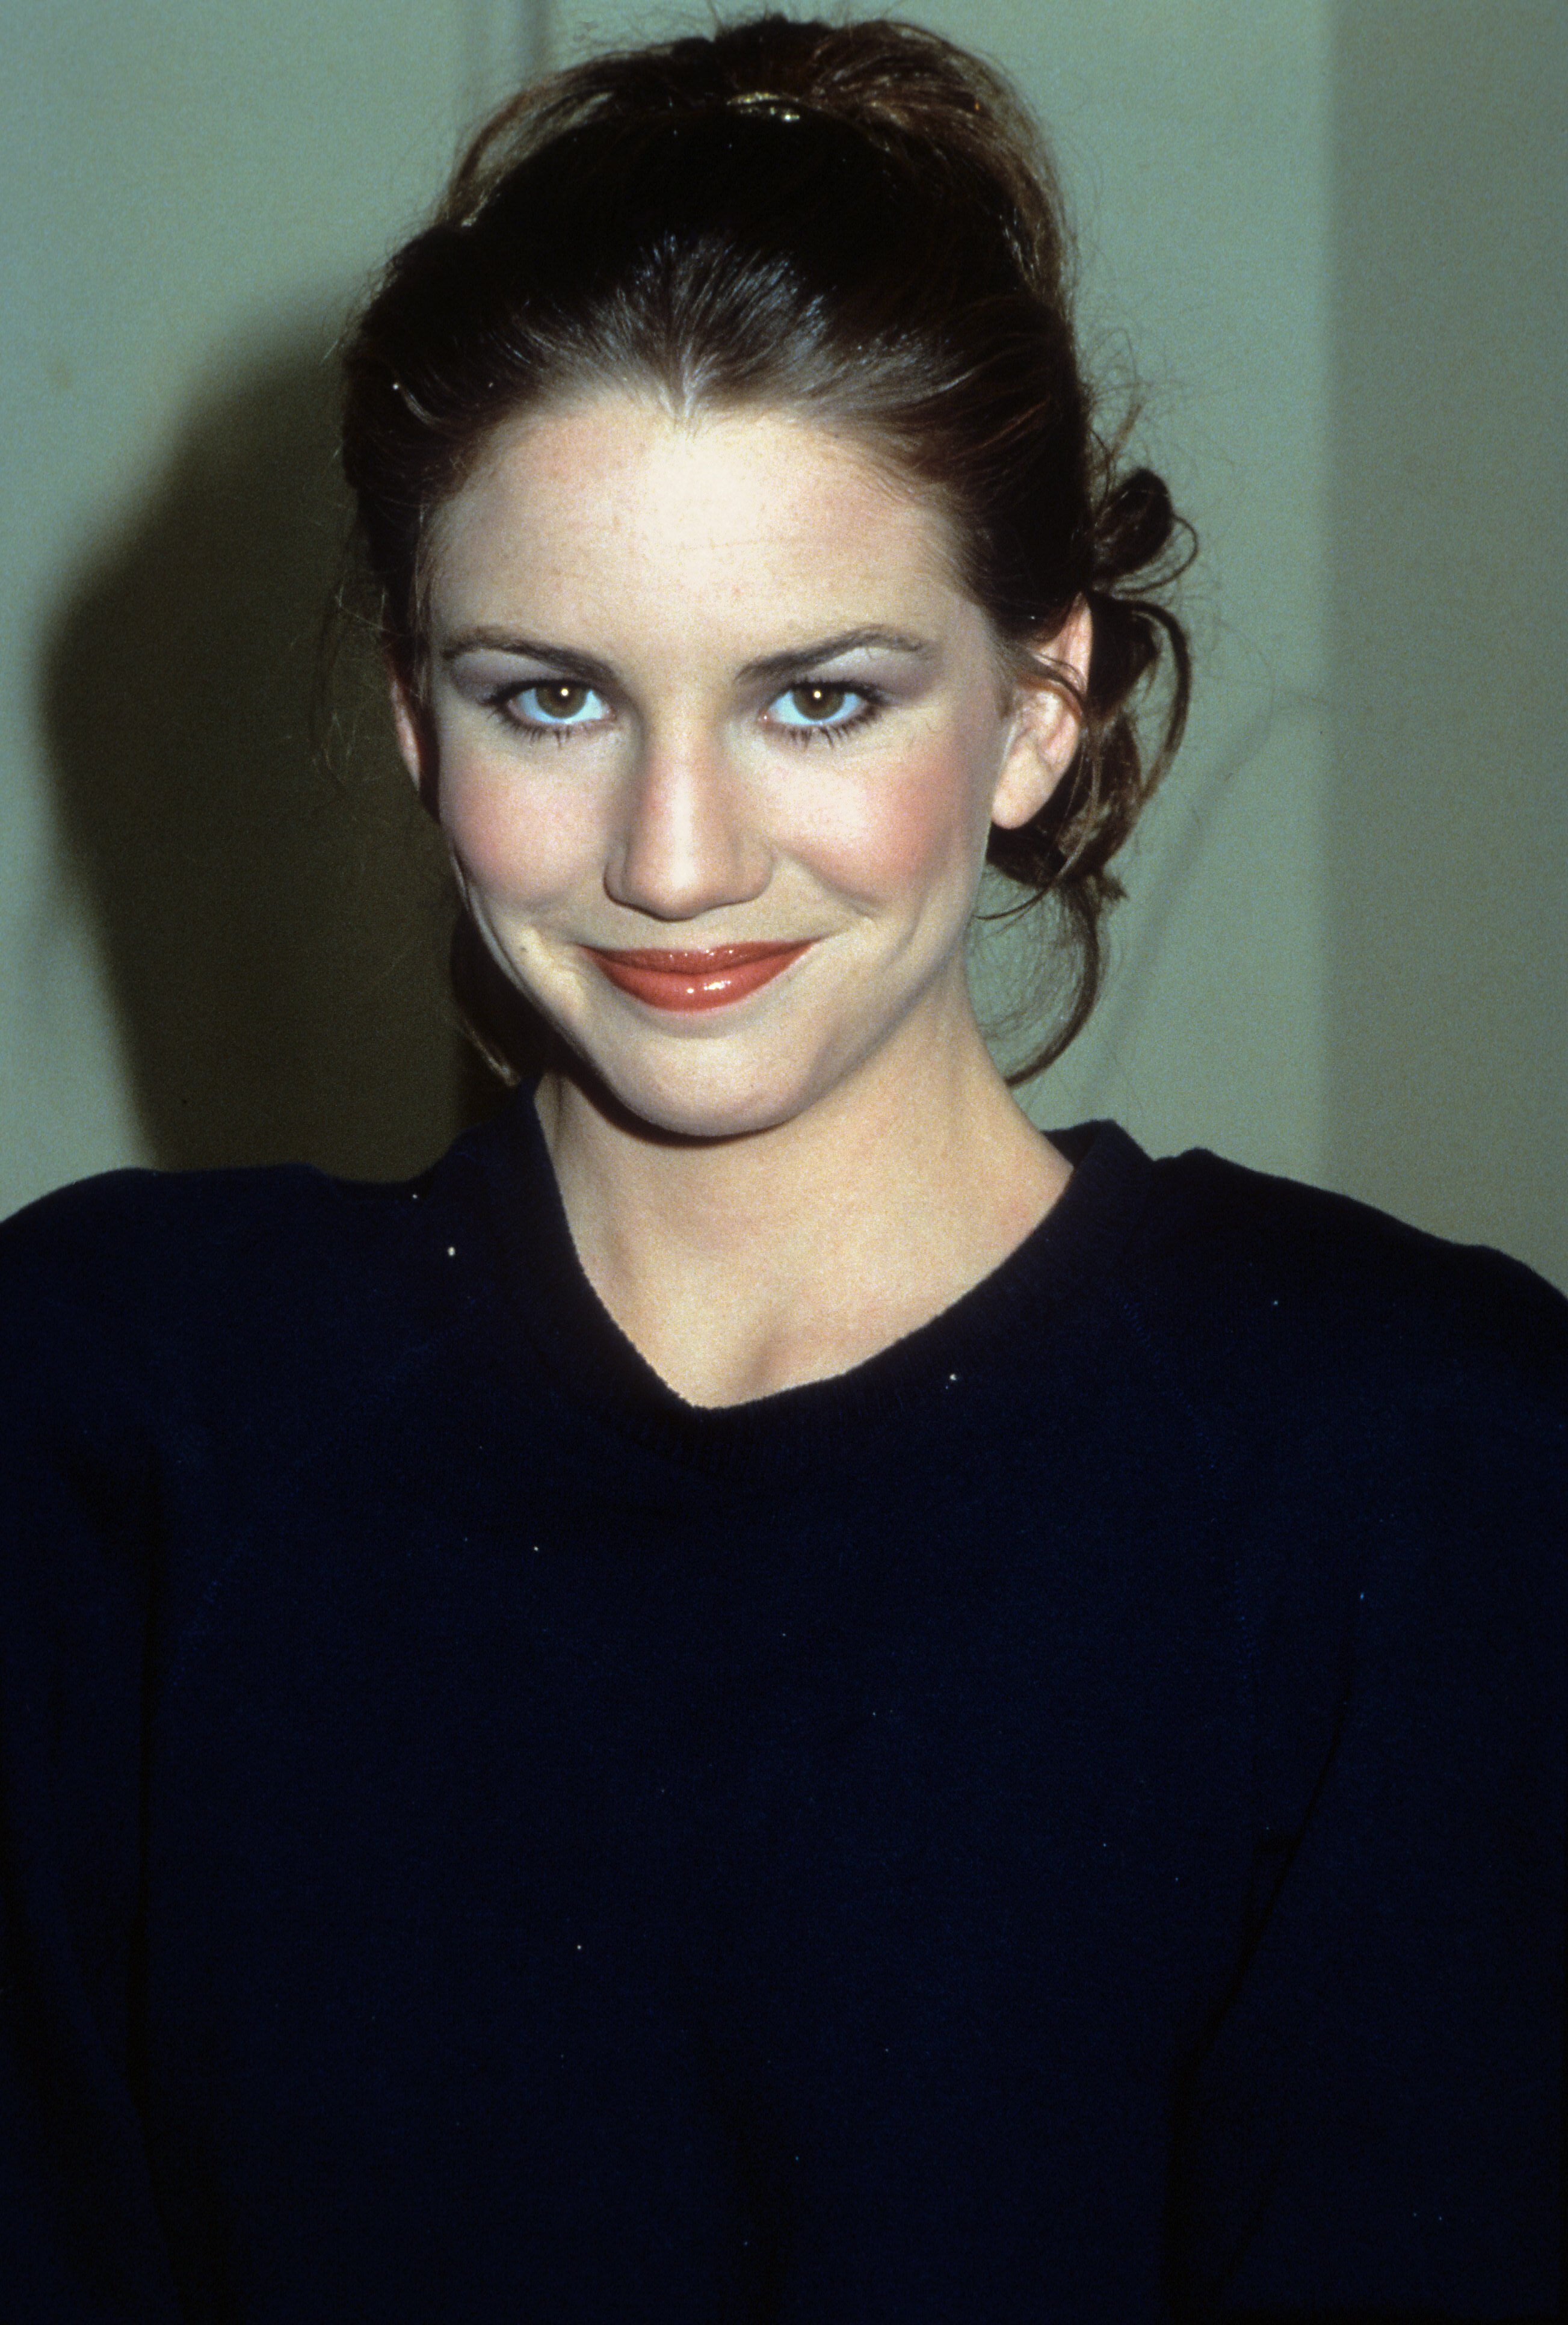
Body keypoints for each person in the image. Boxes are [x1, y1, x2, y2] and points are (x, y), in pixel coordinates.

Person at [1, 14, 1561, 2320]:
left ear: (1040, 710)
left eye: (818, 695)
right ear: (421, 723)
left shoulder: (1419, 1467)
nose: (673, 854)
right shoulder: (112, 1412)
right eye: (554, 695)